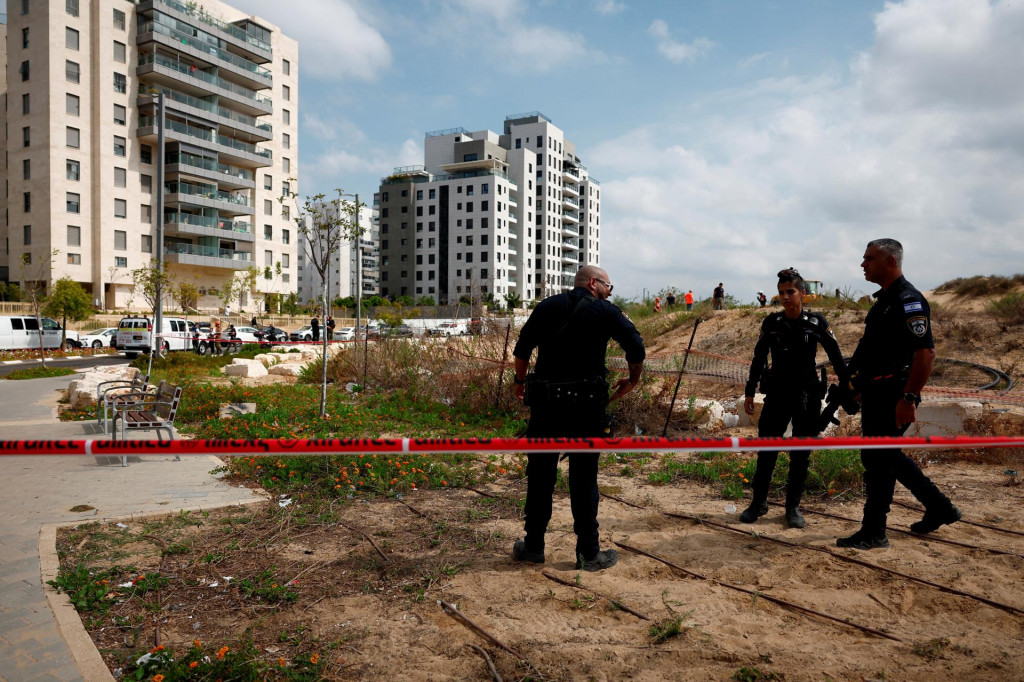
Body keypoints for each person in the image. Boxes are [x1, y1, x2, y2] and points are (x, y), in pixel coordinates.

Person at [511, 265, 645, 572]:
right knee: (584, 478)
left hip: (546, 406)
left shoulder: (547, 306)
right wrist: (633, 380)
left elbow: (522, 349)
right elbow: (636, 347)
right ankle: (588, 553)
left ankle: (533, 546)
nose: (610, 293)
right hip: (586, 409)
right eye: (609, 287)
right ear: (594, 283)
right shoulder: (607, 312)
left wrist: (520, 383)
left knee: (541, 475)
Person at [837, 239, 960, 550]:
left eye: (869, 258)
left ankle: (875, 531)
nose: (862, 264)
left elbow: (926, 353)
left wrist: (908, 398)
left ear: (890, 261)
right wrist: (854, 383)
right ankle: (939, 507)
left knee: (880, 460)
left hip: (895, 393)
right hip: (878, 391)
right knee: (884, 455)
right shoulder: (884, 302)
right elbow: (871, 350)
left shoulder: (909, 301)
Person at [740, 268, 848, 528]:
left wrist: (849, 386)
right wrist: (749, 390)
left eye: (791, 292)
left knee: (801, 453)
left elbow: (836, 357)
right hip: (777, 393)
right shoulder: (772, 324)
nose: (786, 297)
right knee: (767, 450)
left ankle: (792, 507)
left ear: (802, 294)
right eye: (781, 293)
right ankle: (758, 503)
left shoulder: (816, 323)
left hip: (807, 395)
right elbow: (758, 359)